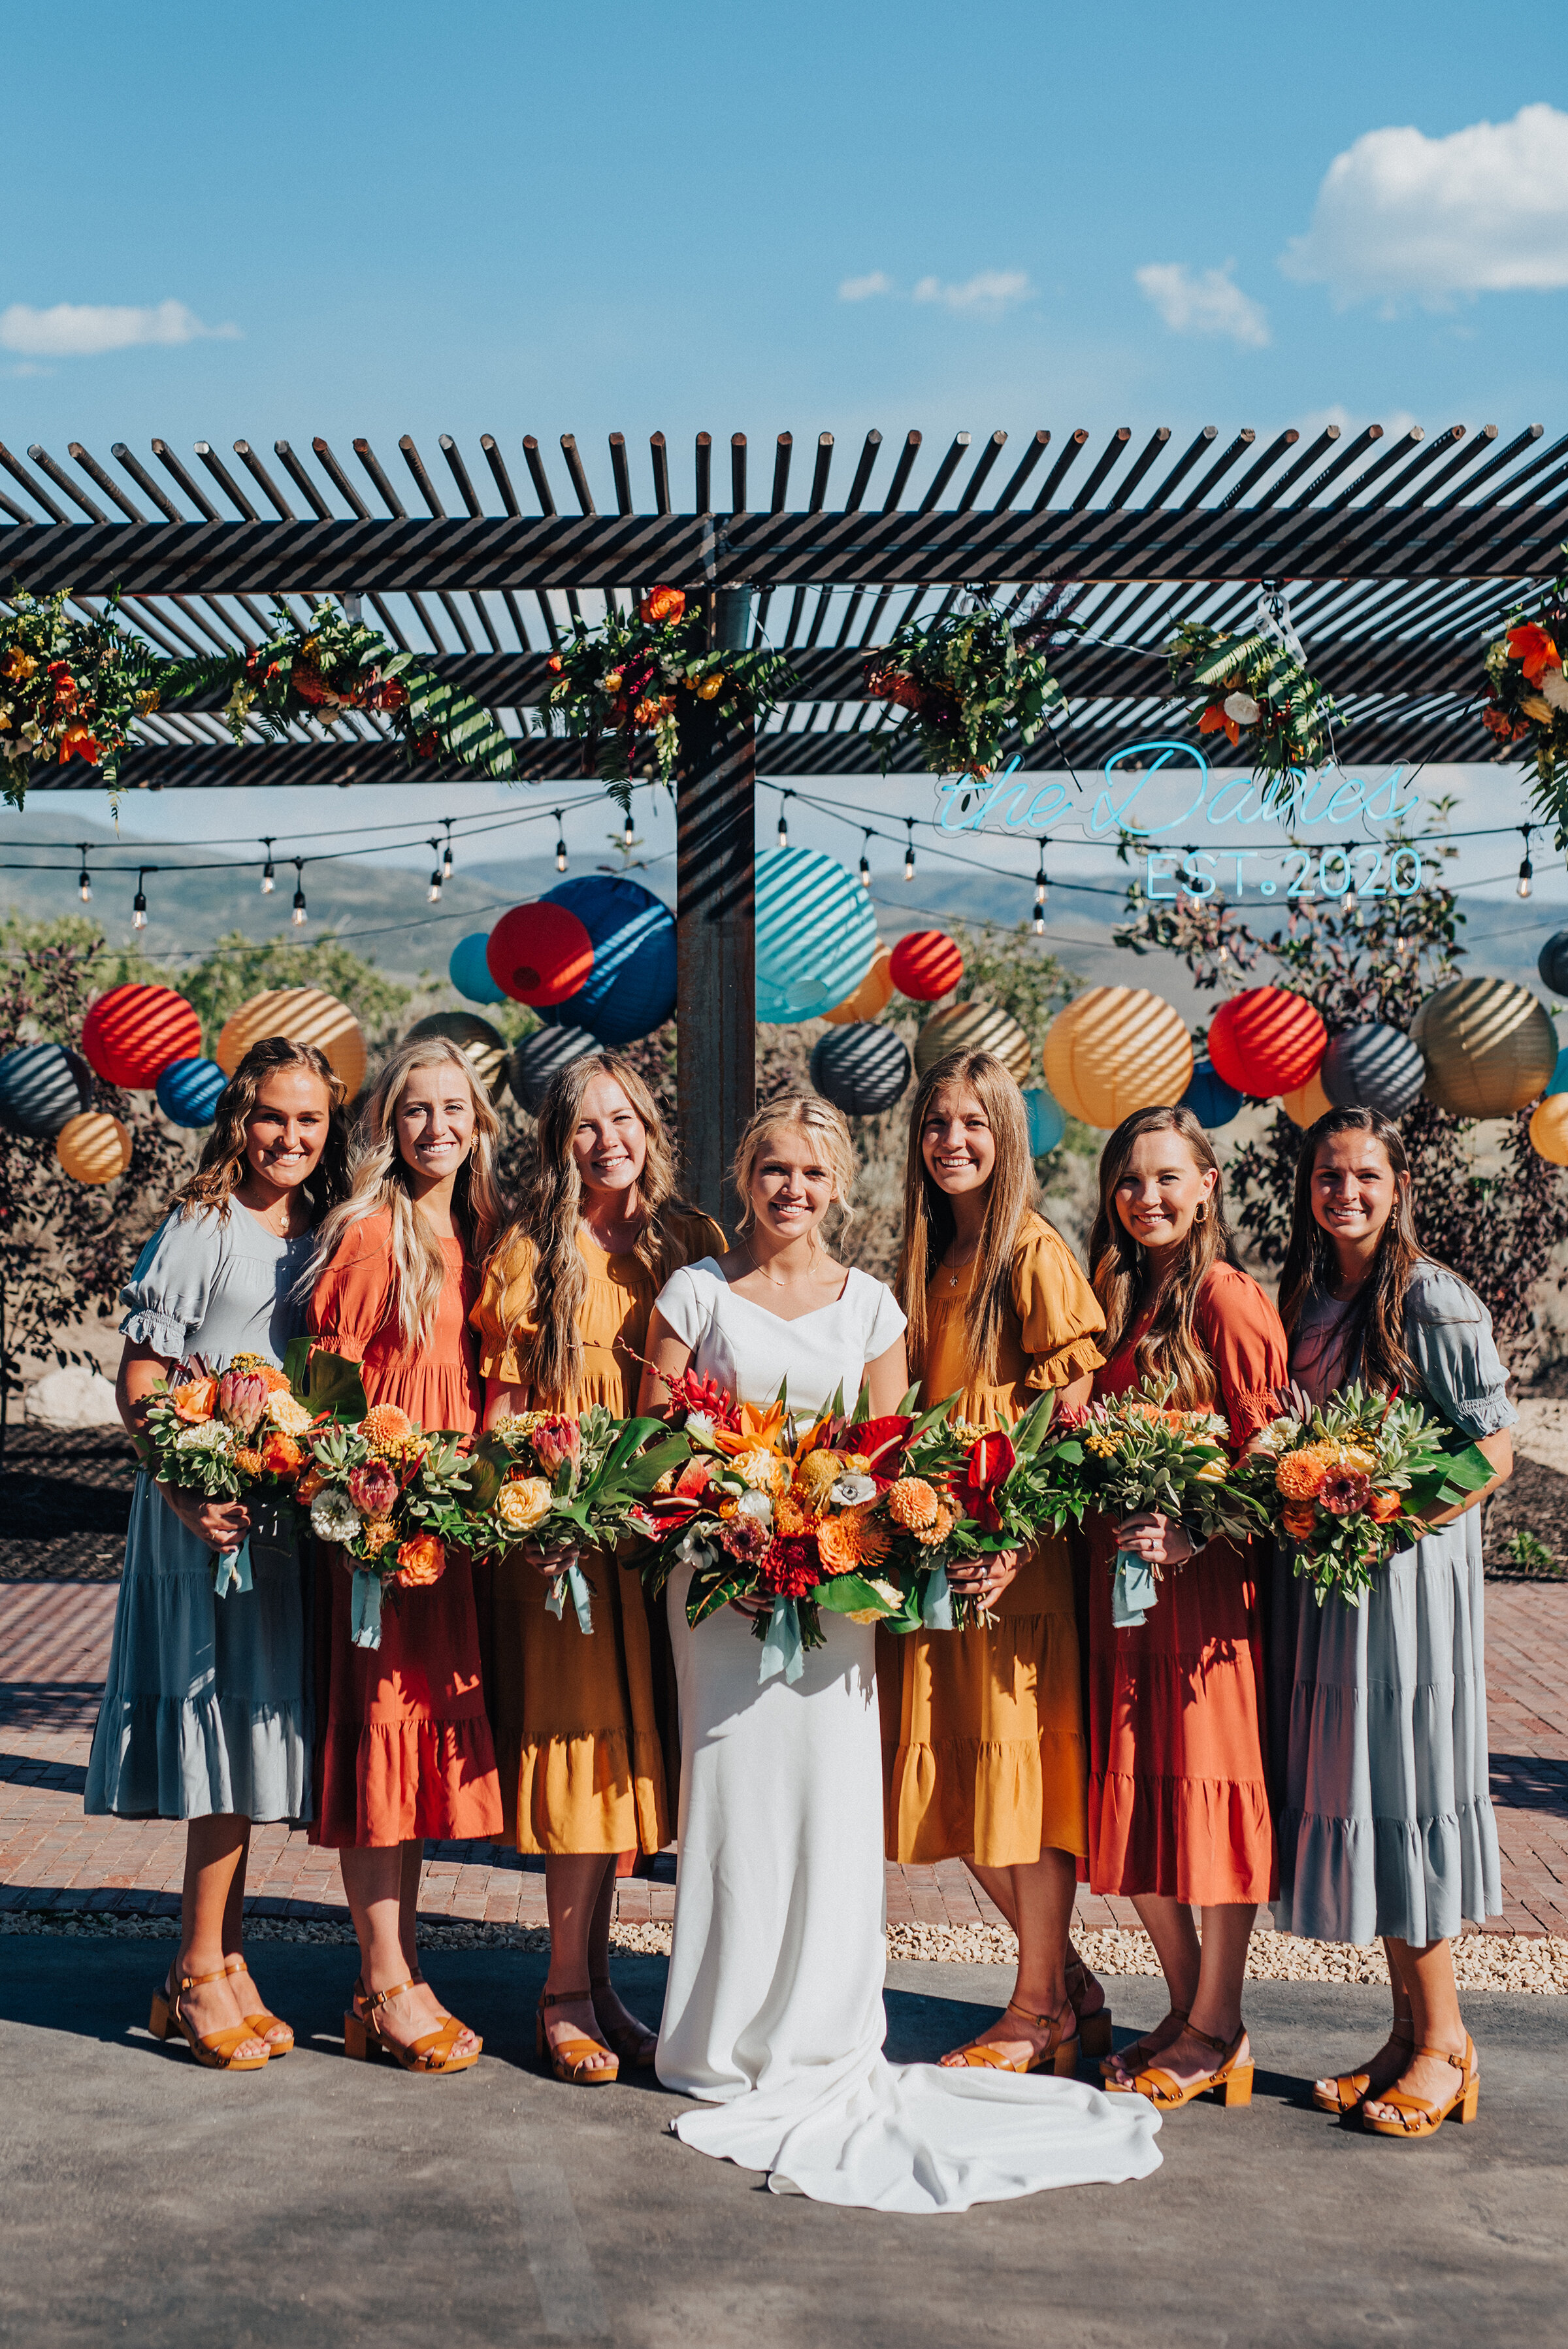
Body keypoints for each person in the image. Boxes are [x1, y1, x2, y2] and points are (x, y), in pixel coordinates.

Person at [637, 1094, 1162, 2212]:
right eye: (775, 1169)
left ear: (841, 1186)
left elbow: (888, 1456)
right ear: (746, 1175)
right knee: (729, 1799)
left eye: (816, 1175)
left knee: (830, 1807)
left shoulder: (872, 1304)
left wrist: (828, 1531)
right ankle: (718, 2030)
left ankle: (825, 2029)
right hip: (721, 1590)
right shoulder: (694, 1292)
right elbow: (663, 1445)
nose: (795, 1192)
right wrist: (738, 1513)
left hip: (838, 1593)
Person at [86, 1038, 349, 2070]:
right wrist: (189, 1491)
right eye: (274, 1116)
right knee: (217, 1724)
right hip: (202, 1515)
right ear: (241, 1119)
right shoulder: (204, 1224)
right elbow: (142, 1377)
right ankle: (198, 1967)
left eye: (310, 1120)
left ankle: (220, 1964)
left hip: (276, 1516)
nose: (290, 1137)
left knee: (249, 1734)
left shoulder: (325, 1230)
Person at [473, 1051, 724, 2086]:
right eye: (584, 1126)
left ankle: (606, 1983)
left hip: (666, 1543)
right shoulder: (533, 1252)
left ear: (651, 1129)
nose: (607, 1140)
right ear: (557, 1144)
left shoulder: (695, 1244)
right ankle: (563, 1994)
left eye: (623, 1121)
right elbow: (500, 1414)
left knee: (639, 1762)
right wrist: (539, 1513)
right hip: (568, 1548)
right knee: (583, 1761)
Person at [1271, 1106, 1512, 2139]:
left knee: (1404, 1783)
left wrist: (1386, 1507)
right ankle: (1404, 2034)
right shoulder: (1309, 1294)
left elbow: (1493, 1452)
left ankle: (1449, 2041)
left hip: (1409, 1585)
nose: (1347, 1193)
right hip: (1330, 1586)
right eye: (1329, 1176)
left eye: (1365, 1175)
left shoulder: (1437, 1298)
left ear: (1398, 1183)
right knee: (1361, 1789)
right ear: (1308, 1189)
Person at [883, 1050, 1113, 2073]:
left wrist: (1018, 1537)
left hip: (1014, 1564)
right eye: (936, 1123)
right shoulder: (934, 1254)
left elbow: (1073, 1418)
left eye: (974, 1123)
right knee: (959, 1786)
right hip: (944, 1553)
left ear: (1007, 1136)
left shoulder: (1029, 1251)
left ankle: (1034, 2012)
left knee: (1016, 1782)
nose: (953, 1141)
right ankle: (1061, 1985)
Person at [307, 1036, 504, 2073]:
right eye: (418, 1110)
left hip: (456, 1528)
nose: (438, 1128)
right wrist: (362, 1517)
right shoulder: (371, 1233)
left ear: (479, 1123)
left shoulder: (474, 1228)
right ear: (389, 1125)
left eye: (455, 1110)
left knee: (418, 1738)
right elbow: (328, 1397)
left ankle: (393, 1970)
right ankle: (386, 1983)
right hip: (384, 1528)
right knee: (382, 1730)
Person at [1085, 1105, 1285, 2113]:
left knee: (1206, 1798)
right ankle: (1182, 2005)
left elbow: (1277, 1467)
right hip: (1122, 1596)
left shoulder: (1229, 1299)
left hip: (1203, 1601)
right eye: (1129, 1181)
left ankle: (1220, 2023)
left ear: (1209, 1184)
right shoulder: (1120, 1297)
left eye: (1167, 1177)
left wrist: (1199, 1533)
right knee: (1141, 1794)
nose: (1147, 1197)